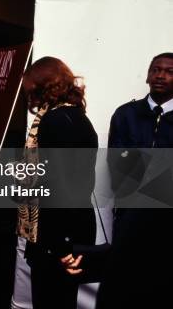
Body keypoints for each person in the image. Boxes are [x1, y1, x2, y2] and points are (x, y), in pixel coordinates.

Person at [19, 57, 98, 309]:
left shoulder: (54, 121)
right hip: (72, 230)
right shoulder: (77, 117)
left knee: (51, 301)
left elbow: (59, 187)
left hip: (57, 236)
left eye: (30, 87)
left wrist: (61, 246)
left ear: (41, 86)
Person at [97, 52, 173, 308]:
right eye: (155, 70)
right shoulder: (126, 114)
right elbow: (119, 169)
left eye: (169, 71)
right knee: (123, 288)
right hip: (130, 219)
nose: (160, 76)